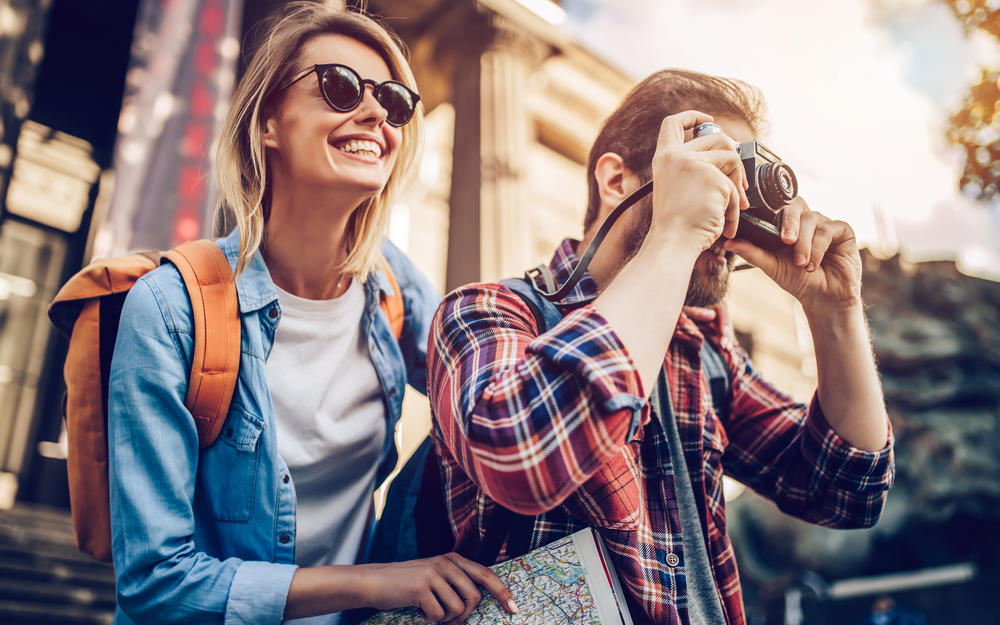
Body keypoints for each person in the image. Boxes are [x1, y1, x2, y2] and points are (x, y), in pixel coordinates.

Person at [426, 69, 894, 625]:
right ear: (616, 180)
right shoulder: (489, 311)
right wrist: (676, 232)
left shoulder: (703, 353)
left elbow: (844, 491)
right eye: (716, 175)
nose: (729, 213)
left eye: (740, 186)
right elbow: (522, 458)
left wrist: (835, 312)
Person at [106, 4, 515, 624]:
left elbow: (498, 409)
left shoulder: (393, 287)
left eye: (394, 102)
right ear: (268, 121)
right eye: (340, 87)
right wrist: (375, 583)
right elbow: (155, 582)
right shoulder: (169, 309)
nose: (375, 114)